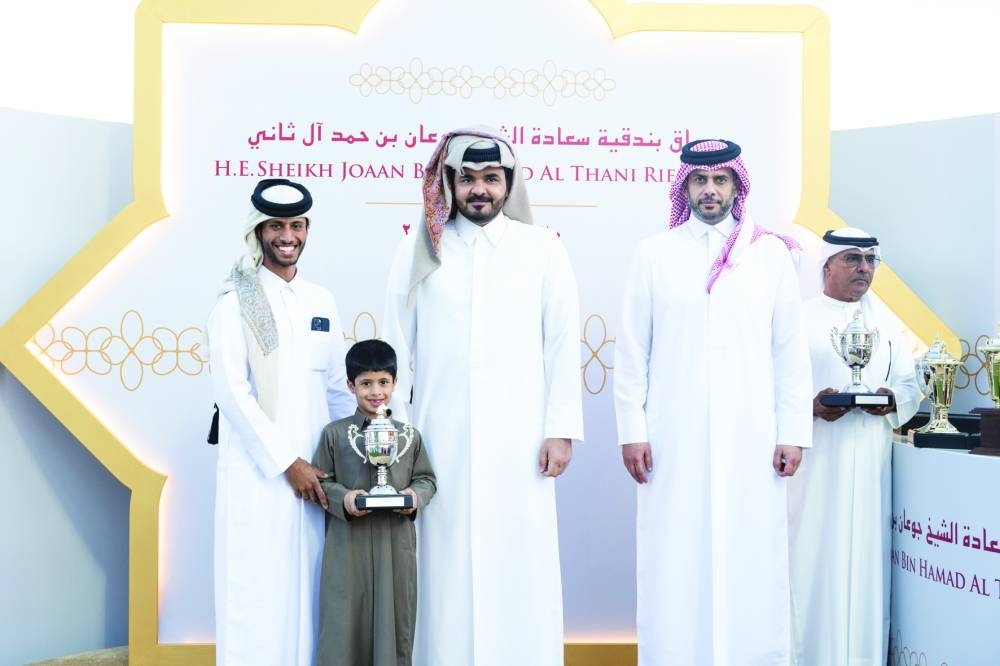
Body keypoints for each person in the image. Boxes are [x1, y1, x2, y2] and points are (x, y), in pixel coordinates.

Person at [382, 127, 584, 666]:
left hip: (522, 440)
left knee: (520, 556)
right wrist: (395, 433)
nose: (479, 190)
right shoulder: (421, 246)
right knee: (443, 560)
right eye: (467, 179)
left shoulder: (542, 248)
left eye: (491, 178)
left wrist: (560, 429)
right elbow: (395, 343)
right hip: (437, 438)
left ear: (508, 184)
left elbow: (562, 342)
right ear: (450, 183)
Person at [614, 139, 813, 665]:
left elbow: (789, 352)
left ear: (736, 186)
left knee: (752, 554)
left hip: (753, 438)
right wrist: (632, 431)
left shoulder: (768, 255)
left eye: (719, 180)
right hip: (671, 438)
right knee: (673, 555)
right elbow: (632, 352)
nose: (709, 190)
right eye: (699, 181)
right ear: (684, 187)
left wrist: (793, 433)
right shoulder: (654, 254)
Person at [206, 178, 356, 666]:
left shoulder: (321, 301)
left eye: (295, 225)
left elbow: (337, 389)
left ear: (306, 230)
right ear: (259, 231)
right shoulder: (235, 301)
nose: (286, 236)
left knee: (314, 592)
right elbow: (233, 393)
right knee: (257, 596)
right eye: (275, 226)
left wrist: (353, 460)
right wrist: (287, 463)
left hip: (318, 475)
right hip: (261, 476)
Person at [787, 228, 919, 666]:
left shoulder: (888, 327)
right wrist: (810, 407)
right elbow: (771, 389)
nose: (864, 268)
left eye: (870, 260)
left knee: (865, 572)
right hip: (813, 471)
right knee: (809, 567)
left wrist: (892, 400)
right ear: (826, 266)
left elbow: (909, 387)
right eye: (852, 258)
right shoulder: (795, 319)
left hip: (870, 470)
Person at [311, 339, 436, 666]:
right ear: (350, 386)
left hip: (394, 547)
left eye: (383, 382)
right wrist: (344, 498)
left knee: (393, 630)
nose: (375, 391)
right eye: (366, 383)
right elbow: (320, 481)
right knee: (342, 628)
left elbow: (426, 480)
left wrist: (413, 497)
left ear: (395, 383)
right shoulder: (335, 435)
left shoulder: (408, 436)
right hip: (346, 549)